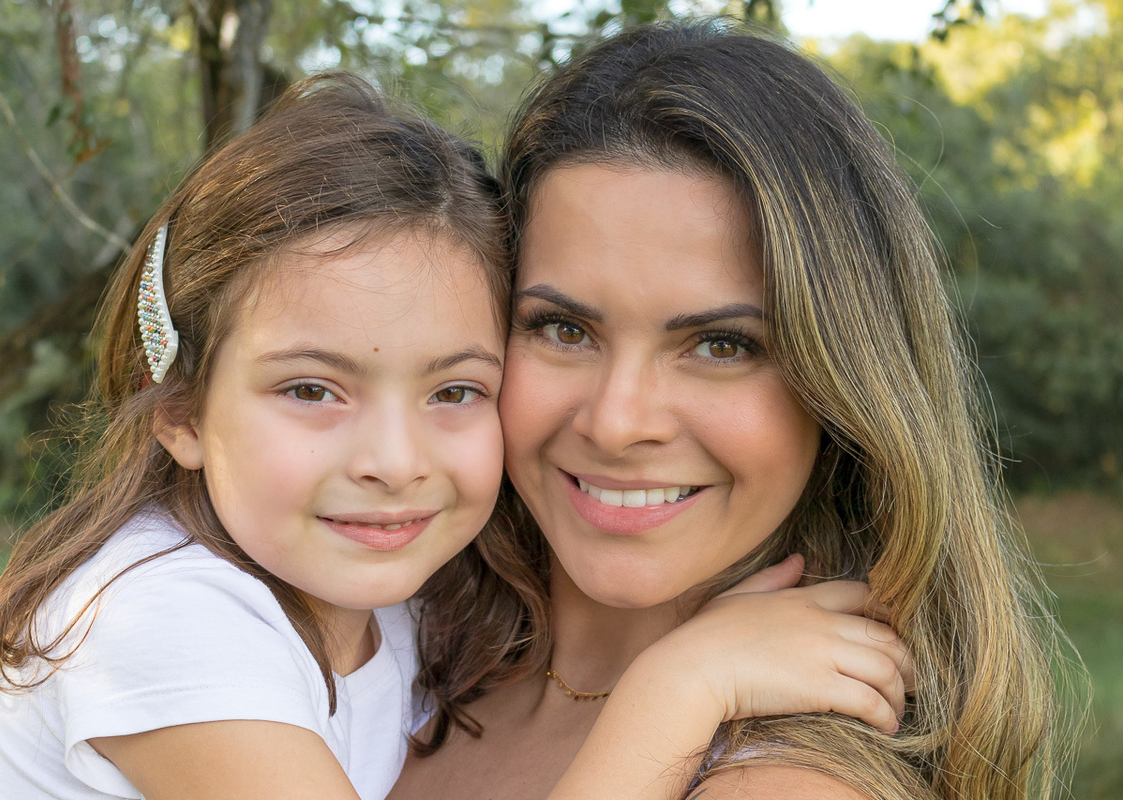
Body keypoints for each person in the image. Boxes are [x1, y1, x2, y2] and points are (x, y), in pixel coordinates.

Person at [0, 71, 911, 800]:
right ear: (180, 411)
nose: (394, 461)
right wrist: (679, 688)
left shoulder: (398, 613)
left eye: (453, 389)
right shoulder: (166, 617)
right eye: (312, 388)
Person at [392, 20, 1069, 800]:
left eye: (721, 345)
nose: (617, 422)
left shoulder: (787, 784)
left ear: (841, 385)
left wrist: (676, 691)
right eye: (565, 329)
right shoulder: (391, 651)